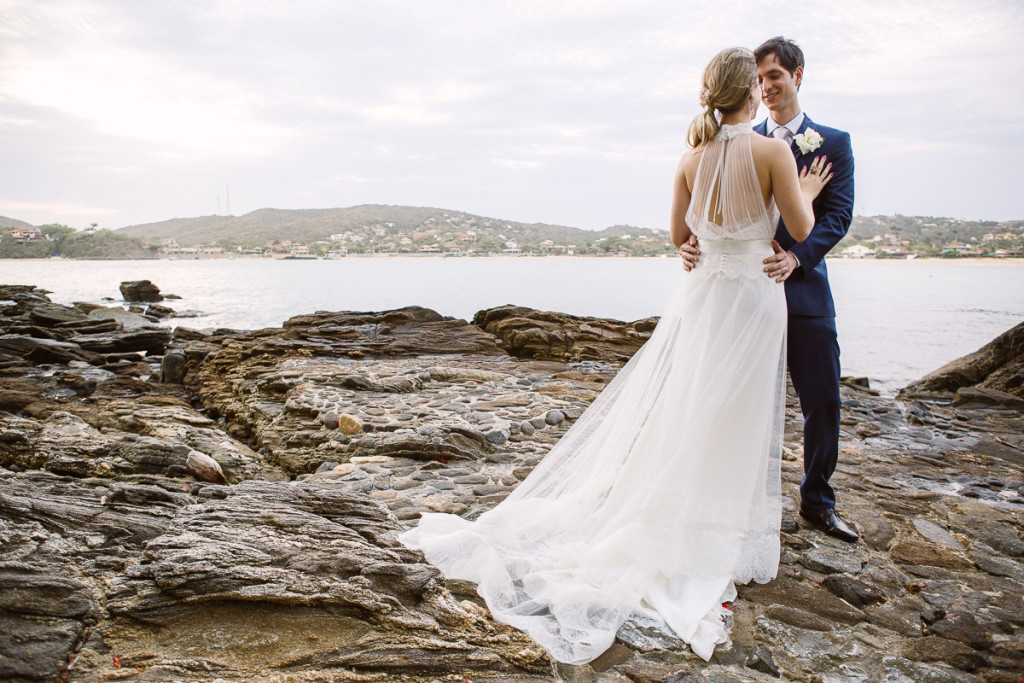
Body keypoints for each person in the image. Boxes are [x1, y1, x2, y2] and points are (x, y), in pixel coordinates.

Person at [399, 47, 831, 665]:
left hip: (704, 296)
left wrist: (697, 247)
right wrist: (808, 189)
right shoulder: (771, 152)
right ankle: (714, 534)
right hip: (754, 299)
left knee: (691, 405)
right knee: (735, 414)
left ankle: (684, 514)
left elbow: (678, 237)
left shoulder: (691, 157)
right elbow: (799, 223)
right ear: (747, 93)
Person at [680, 36, 858, 543]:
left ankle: (817, 501)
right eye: (758, 78)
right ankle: (731, 501)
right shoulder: (736, 140)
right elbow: (704, 219)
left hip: (801, 291)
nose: (766, 85)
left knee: (822, 398)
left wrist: (797, 258)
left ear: (797, 76)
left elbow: (838, 216)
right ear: (748, 88)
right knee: (731, 397)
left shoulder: (833, 142)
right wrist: (690, 247)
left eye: (775, 75)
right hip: (742, 294)